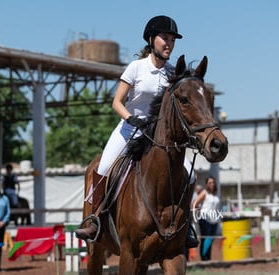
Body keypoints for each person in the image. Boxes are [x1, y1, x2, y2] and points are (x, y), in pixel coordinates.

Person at [75, 15, 198, 248]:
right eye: (165, 38)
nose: (169, 43)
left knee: (190, 176)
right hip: (129, 128)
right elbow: (117, 102)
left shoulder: (173, 73)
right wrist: (132, 119)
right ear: (152, 39)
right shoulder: (136, 68)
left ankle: (186, 223)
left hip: (158, 135)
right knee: (102, 167)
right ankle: (95, 220)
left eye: (173, 39)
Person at [192, 176, 221, 261]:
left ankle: (208, 258)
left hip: (214, 220)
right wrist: (199, 210)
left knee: (210, 240)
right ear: (207, 184)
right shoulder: (204, 193)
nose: (212, 184)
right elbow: (195, 203)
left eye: (213, 182)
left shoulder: (216, 194)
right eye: (210, 183)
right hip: (205, 219)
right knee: (205, 239)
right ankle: (204, 258)